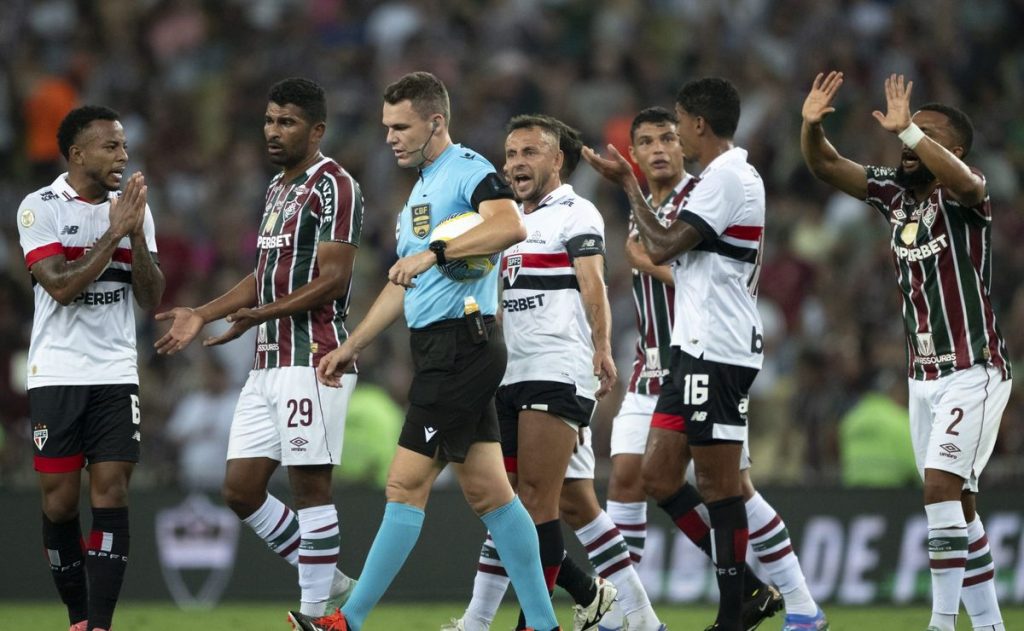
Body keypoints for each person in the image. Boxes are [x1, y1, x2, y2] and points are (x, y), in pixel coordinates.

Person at [305, 71, 559, 631]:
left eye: (402, 126)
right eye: (386, 127)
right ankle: (546, 627)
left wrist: (436, 253)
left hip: (460, 346)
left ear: (435, 122)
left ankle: (347, 620)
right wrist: (352, 345)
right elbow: (402, 283)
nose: (390, 137)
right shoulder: (419, 192)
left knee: (404, 484)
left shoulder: (468, 170)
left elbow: (509, 225)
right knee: (492, 494)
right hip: (443, 348)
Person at [584, 78, 825, 631]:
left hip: (717, 350)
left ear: (696, 125)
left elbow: (664, 245)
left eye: (676, 125)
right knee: (658, 476)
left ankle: (736, 612)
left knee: (723, 487)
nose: (669, 141)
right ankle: (751, 597)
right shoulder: (713, 182)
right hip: (685, 351)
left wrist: (627, 186)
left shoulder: (726, 178)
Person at [801, 71, 1011, 631]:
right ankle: (989, 625)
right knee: (958, 509)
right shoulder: (893, 193)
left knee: (939, 487)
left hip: (974, 367)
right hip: (922, 377)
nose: (907, 140)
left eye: (925, 134)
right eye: (906, 132)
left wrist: (914, 134)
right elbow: (825, 165)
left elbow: (967, 183)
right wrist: (811, 125)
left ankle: (941, 623)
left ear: (953, 149)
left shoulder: (967, 197)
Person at [446, 115, 663, 631]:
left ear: (555, 159)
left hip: (556, 369)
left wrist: (603, 347)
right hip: (509, 373)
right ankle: (631, 614)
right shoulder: (508, 224)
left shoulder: (575, 212)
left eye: (529, 152)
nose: (515, 163)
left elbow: (594, 283)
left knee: (533, 501)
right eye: (510, 154)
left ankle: (514, 624)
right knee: (545, 502)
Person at [154, 78, 359, 619]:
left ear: (315, 130)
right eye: (269, 120)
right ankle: (330, 577)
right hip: (268, 361)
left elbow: (335, 278)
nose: (272, 130)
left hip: (313, 357)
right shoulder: (276, 188)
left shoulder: (334, 185)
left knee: (310, 487)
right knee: (240, 490)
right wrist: (203, 313)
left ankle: (316, 615)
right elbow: (264, 275)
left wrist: (260, 316)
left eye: (286, 121)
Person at [17, 104, 165, 631]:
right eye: (112, 146)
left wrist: (137, 235)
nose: (123, 156)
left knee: (113, 492)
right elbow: (59, 284)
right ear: (78, 154)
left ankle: (97, 625)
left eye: (124, 146)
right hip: (57, 373)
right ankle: (77, 615)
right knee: (59, 506)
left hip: (114, 371)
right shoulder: (40, 207)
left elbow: (150, 296)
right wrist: (113, 232)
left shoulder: (132, 210)